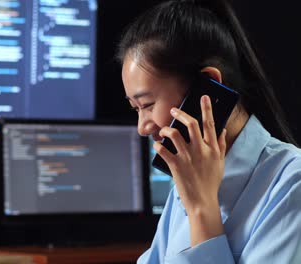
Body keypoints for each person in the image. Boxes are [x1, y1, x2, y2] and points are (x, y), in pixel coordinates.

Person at [117, 0, 301, 263]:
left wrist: (202, 210)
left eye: (147, 104)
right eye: (136, 109)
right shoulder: (185, 182)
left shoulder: (292, 183)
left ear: (208, 86)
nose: (142, 126)